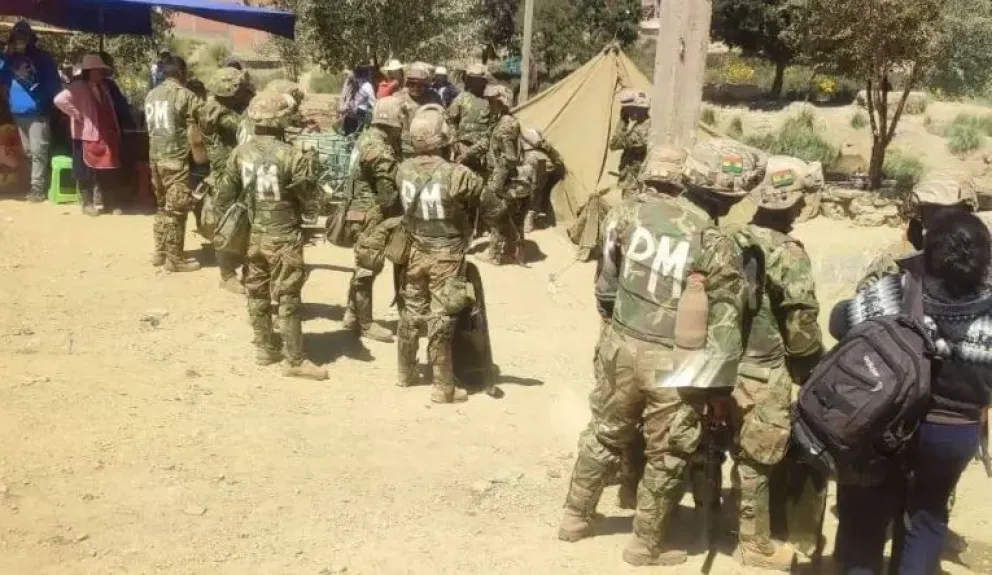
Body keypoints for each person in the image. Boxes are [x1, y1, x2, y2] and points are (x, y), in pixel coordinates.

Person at [558, 140, 757, 567]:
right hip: (674, 365)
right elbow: (724, 329)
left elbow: (606, 287)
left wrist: (619, 328)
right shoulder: (715, 242)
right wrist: (718, 390)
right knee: (667, 454)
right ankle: (645, 545)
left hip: (621, 345)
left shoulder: (628, 212)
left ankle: (575, 517)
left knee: (604, 433)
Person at [831, 209, 992, 575]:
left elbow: (839, 323)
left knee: (867, 515)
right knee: (927, 516)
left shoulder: (899, 290)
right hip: (954, 432)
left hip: (887, 421)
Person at [728, 169, 825, 570]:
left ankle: (713, 518)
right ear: (794, 205)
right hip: (763, 369)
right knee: (757, 458)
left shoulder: (729, 237)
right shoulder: (788, 252)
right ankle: (754, 545)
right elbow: (800, 325)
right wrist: (811, 368)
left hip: (720, 362)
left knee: (718, 445)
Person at [216, 91, 328, 381]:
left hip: (253, 236)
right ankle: (294, 360)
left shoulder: (239, 153)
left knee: (256, 290)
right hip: (284, 237)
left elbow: (224, 197)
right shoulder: (293, 155)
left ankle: (264, 348)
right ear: (281, 120)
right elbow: (311, 203)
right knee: (288, 295)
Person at [394, 104, 502, 402]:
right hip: (447, 257)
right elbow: (492, 207)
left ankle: (405, 372)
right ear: (442, 137)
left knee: (411, 311)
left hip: (415, 252)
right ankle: (443, 386)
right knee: (441, 319)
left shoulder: (403, 170)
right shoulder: (457, 174)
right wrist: (509, 234)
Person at [342, 96, 404, 343]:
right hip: (371, 214)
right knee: (368, 267)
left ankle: (352, 314)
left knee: (363, 264)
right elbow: (387, 197)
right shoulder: (381, 149)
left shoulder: (366, 138)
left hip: (358, 210)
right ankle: (365, 323)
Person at [144, 55, 205, 273]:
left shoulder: (151, 95)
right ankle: (175, 258)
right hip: (176, 160)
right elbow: (203, 122)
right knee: (177, 209)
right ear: (181, 73)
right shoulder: (185, 95)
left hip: (155, 159)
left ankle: (160, 252)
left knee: (162, 207)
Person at [199, 67, 252, 293]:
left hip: (235, 171)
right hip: (224, 175)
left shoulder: (223, 107)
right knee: (227, 225)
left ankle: (248, 269)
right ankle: (227, 274)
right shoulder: (215, 110)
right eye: (239, 88)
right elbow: (242, 126)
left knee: (246, 222)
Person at [54, 54, 126, 216]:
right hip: (86, 136)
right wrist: (76, 114)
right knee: (85, 171)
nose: (100, 73)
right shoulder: (77, 86)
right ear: (89, 71)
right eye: (97, 70)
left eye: (101, 70)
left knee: (107, 168)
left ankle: (109, 203)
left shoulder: (104, 87)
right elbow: (59, 100)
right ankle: (87, 204)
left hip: (106, 134)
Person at [0, 21, 61, 203]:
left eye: (23, 37)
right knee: (27, 151)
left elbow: (53, 83)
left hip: (38, 112)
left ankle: (38, 188)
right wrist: (6, 57)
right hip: (18, 111)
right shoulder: (8, 58)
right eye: (17, 37)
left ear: (30, 38)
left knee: (38, 150)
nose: (20, 40)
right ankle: (33, 183)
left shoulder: (42, 57)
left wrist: (42, 100)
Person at [479, 83, 523, 266]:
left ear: (502, 102)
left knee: (497, 213)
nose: (489, 105)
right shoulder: (500, 121)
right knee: (504, 214)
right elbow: (487, 143)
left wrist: (496, 184)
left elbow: (509, 157)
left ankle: (495, 255)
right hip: (499, 173)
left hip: (502, 176)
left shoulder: (506, 125)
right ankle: (510, 251)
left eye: (492, 101)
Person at [446, 63, 490, 175]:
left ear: (484, 81)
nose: (477, 83)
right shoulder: (462, 98)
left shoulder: (490, 99)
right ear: (469, 81)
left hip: (485, 148)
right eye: (474, 80)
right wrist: (454, 141)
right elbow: (451, 121)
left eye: (479, 80)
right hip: (463, 146)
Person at [520, 127, 565, 232]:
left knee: (531, 189)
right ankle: (529, 220)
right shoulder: (539, 147)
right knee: (537, 190)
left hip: (527, 163)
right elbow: (550, 166)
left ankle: (526, 220)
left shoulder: (522, 139)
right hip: (539, 163)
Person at [609, 89, 651, 199]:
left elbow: (614, 144)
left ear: (639, 109)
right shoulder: (641, 125)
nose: (627, 111)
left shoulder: (641, 130)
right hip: (633, 181)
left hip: (635, 183)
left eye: (629, 108)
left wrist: (623, 120)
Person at [398, 62, 443, 158]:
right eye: (412, 84)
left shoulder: (434, 97)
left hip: (431, 147)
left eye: (420, 85)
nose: (416, 88)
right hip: (407, 148)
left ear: (426, 86)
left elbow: (442, 117)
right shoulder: (399, 98)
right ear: (408, 84)